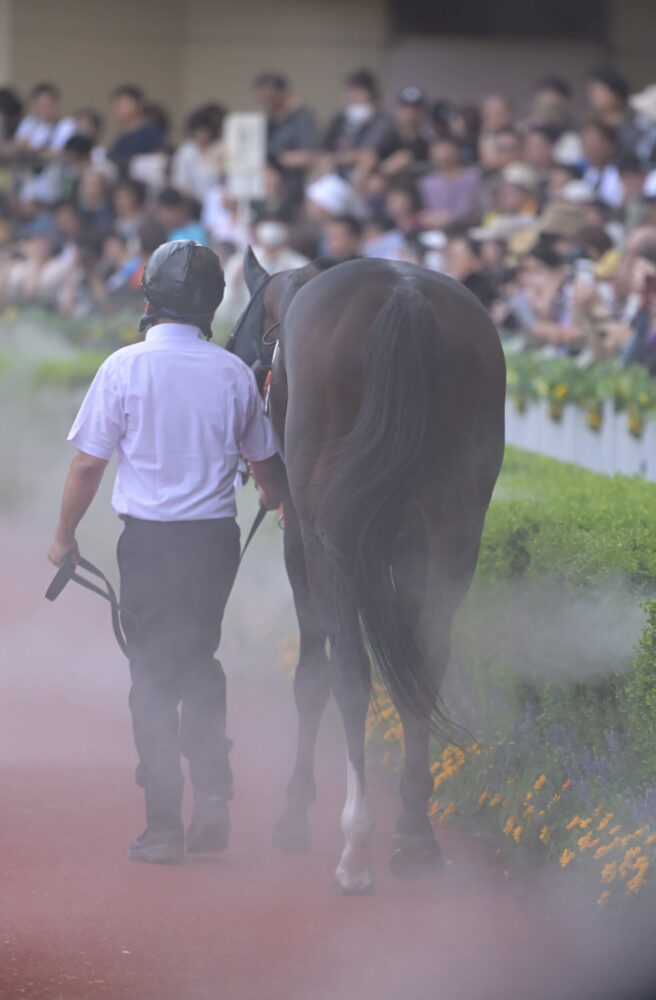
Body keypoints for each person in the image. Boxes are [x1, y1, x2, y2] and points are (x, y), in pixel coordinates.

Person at [48, 240, 285, 864]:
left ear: (149, 300)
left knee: (152, 675)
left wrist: (64, 537)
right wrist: (274, 497)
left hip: (149, 542)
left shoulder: (123, 367)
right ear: (211, 307)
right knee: (200, 659)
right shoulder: (233, 372)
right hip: (213, 541)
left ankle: (161, 828)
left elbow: (86, 466)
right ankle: (212, 798)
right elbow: (265, 468)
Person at [254, 72, 319, 209]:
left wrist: (280, 160)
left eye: (271, 97)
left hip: (292, 184)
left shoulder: (301, 118)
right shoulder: (269, 119)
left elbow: (310, 156)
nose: (268, 102)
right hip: (266, 179)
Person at [108, 84, 165, 172]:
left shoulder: (151, 132)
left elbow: (160, 161)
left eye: (122, 105)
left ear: (137, 104)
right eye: (116, 106)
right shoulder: (121, 139)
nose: (118, 109)